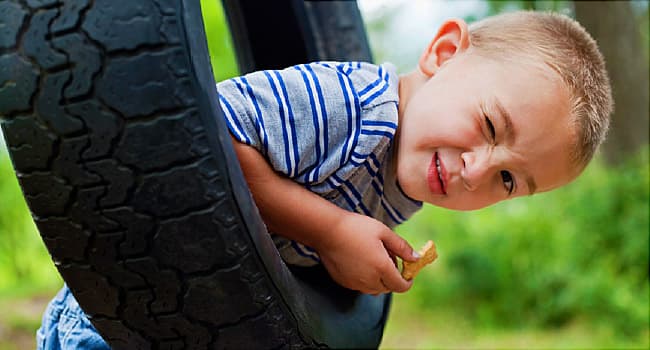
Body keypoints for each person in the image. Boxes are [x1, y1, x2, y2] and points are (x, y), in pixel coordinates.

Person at [37, 10, 612, 349]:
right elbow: (199, 141)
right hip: (112, 315)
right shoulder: (353, 106)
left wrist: (348, 268)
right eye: (489, 124)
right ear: (442, 53)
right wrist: (334, 231)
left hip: (181, 317)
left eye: (510, 180)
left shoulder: (408, 173)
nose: (478, 171)